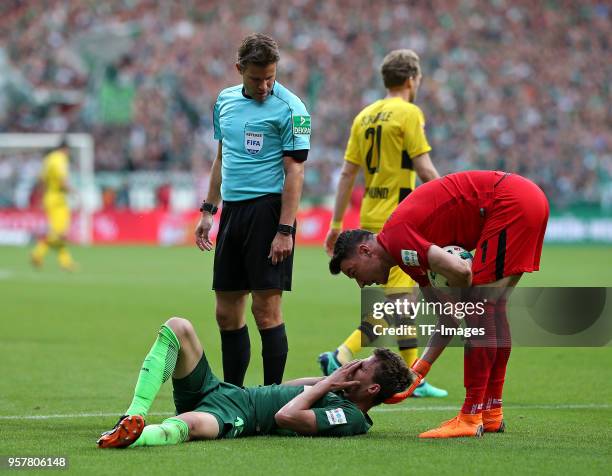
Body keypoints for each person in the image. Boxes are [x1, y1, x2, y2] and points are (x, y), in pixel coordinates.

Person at [328, 170, 549, 438]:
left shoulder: (397, 238)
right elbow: (449, 318)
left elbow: (462, 272)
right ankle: (491, 412)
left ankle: (470, 416)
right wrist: (417, 373)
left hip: (509, 202)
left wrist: (468, 295)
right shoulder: (408, 259)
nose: (361, 284)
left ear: (365, 251)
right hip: (522, 199)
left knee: (481, 310)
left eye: (354, 273)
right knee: (492, 310)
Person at [318, 49, 445, 398]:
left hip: (372, 216)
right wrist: (450, 199)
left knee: (400, 301)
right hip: (402, 218)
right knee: (400, 302)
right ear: (410, 80)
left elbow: (347, 173)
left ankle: (413, 378)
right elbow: (424, 168)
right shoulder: (408, 112)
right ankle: (342, 353)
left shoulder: (364, 116)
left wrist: (336, 222)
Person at [97, 317, 412, 447]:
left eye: (362, 368)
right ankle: (132, 415)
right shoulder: (337, 389)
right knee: (179, 327)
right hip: (224, 392)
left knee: (188, 425)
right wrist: (329, 380)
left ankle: (131, 437)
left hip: (239, 418)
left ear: (372, 389)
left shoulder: (351, 416)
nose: (353, 367)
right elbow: (286, 390)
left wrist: (324, 386)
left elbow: (285, 416)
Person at [194, 34, 310, 387]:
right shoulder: (225, 101)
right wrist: (208, 210)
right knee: (226, 312)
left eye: (270, 78)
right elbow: (221, 157)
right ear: (239, 69)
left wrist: (284, 230)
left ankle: (272, 395)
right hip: (233, 212)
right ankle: (233, 393)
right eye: (256, 78)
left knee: (266, 309)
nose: (264, 86)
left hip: (269, 211)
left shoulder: (292, 108)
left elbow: (295, 171)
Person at [30, 138, 77, 271]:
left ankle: (65, 262)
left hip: (49, 196)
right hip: (58, 198)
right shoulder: (60, 160)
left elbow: (41, 179)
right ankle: (37, 253)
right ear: (65, 149)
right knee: (59, 233)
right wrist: (74, 192)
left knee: (58, 233)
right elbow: (63, 181)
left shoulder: (48, 159)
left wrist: (40, 197)